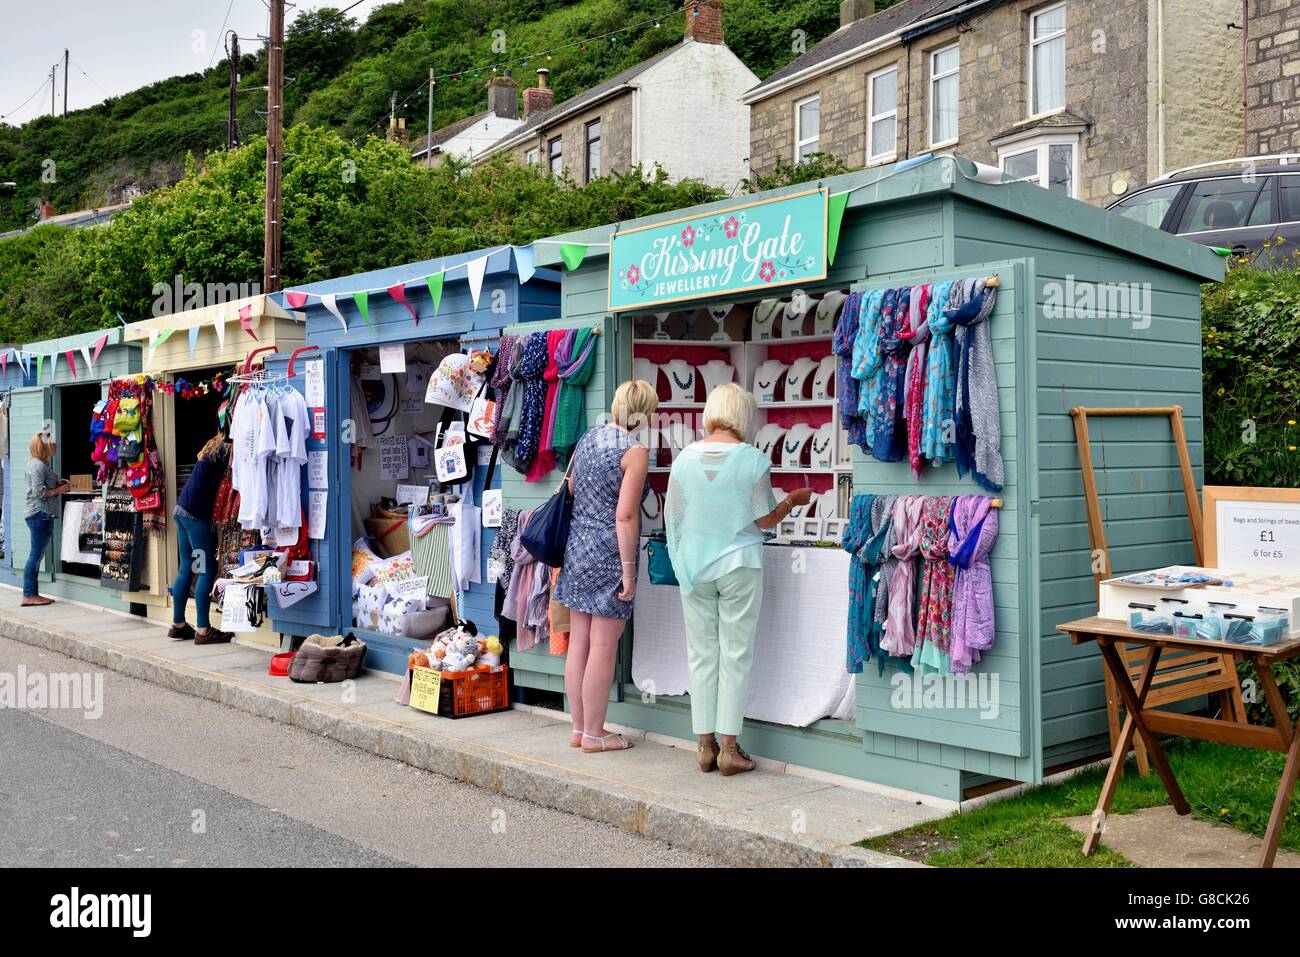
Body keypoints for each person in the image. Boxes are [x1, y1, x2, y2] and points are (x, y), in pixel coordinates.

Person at [665, 383, 813, 776]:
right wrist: (792, 501)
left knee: (701, 654)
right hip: (740, 564)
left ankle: (704, 746)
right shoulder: (753, 460)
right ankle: (730, 748)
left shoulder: (683, 460)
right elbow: (765, 520)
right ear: (743, 415)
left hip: (694, 568)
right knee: (735, 654)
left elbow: (674, 518)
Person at [554, 380, 657, 753]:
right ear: (643, 413)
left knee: (579, 643)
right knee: (602, 646)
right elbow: (626, 516)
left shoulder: (588, 439)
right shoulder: (634, 452)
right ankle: (596, 734)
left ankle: (579, 729)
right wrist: (629, 573)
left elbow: (569, 491)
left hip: (577, 550)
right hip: (609, 555)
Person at [169, 433, 234, 645]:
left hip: (181, 510)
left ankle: (178, 625)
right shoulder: (226, 451)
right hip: (195, 517)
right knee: (206, 570)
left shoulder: (212, 449)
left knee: (186, 567)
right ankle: (203, 630)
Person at [22, 433, 68, 607]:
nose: (56, 446)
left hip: (39, 514)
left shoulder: (40, 464)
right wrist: (59, 490)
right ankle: (29, 595)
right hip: (39, 513)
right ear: (45, 446)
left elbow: (43, 486)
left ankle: (32, 594)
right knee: (35, 555)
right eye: (53, 443)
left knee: (37, 555)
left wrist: (58, 483)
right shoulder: (38, 466)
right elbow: (38, 493)